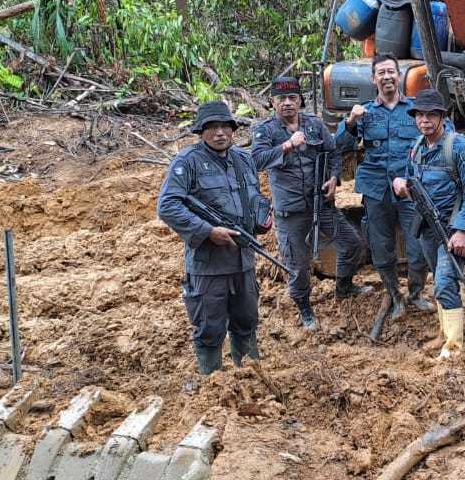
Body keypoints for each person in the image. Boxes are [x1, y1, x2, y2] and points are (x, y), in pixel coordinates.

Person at [251, 74, 369, 330]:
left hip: (321, 203)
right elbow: (257, 161)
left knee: (352, 244)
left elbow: (334, 152)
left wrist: (333, 178)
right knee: (298, 265)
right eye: (281, 99)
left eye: (292, 97)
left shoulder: (314, 125)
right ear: (272, 103)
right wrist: (286, 146)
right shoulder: (266, 131)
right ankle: (305, 308)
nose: (287, 103)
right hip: (290, 212)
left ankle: (344, 287)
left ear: (300, 101)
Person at [157, 100, 265, 376]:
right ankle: (212, 385)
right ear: (201, 131)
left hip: (243, 259)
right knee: (209, 326)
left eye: (225, 127)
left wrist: (262, 218)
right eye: (213, 127)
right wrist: (208, 231)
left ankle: (250, 378)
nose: (220, 133)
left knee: (246, 321)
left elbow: (253, 198)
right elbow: (168, 206)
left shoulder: (243, 159)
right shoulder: (187, 162)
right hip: (209, 264)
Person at [337, 54, 435, 323]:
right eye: (381, 72)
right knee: (381, 247)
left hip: (410, 189)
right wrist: (350, 122)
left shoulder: (416, 110)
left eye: (391, 71)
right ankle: (394, 295)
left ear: (399, 75)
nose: (387, 76)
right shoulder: (365, 112)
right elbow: (340, 146)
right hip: (376, 189)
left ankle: (415, 293)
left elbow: (439, 135)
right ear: (373, 78)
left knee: (418, 247)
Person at [402, 88, 465, 359]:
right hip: (426, 227)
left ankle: (454, 346)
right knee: (439, 279)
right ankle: (444, 333)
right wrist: (400, 185)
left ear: (442, 117)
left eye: (431, 115)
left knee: (445, 283)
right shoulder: (416, 147)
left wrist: (463, 229)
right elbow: (409, 179)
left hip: (450, 228)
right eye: (420, 115)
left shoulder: (458, 147)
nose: (424, 120)